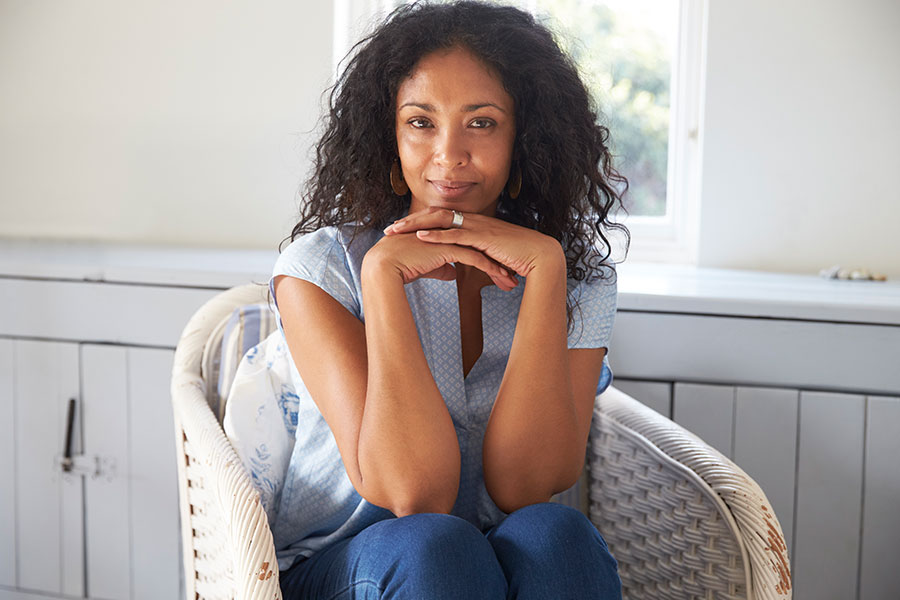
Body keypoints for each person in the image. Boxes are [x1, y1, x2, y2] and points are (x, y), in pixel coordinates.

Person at [227, 1, 631, 598]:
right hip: (345, 565)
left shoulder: (579, 278)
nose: (449, 153)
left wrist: (546, 272)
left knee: (557, 533)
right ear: (389, 135)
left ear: (526, 136)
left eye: (483, 122)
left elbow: (526, 487)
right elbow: (413, 493)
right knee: (437, 546)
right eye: (421, 122)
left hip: (490, 563)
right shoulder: (322, 269)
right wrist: (384, 279)